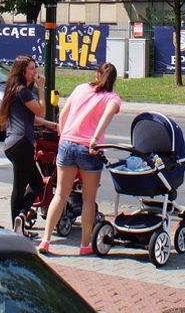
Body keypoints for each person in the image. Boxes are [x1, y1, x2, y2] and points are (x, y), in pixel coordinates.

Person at [37, 62, 121, 256]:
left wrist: (63, 134)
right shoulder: (112, 97)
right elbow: (106, 116)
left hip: (67, 144)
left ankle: (46, 240)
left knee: (60, 195)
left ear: (97, 74)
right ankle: (85, 245)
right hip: (89, 150)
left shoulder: (81, 88)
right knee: (88, 200)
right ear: (113, 80)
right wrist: (94, 138)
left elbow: (64, 113)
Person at [0, 55, 55, 237]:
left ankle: (20, 220)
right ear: (23, 71)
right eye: (31, 68)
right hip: (22, 143)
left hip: (12, 144)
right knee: (21, 187)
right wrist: (42, 88)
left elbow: (31, 117)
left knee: (36, 183)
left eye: (35, 67)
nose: (35, 71)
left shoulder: (15, 89)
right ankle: (18, 225)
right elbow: (41, 109)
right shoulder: (23, 90)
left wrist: (50, 125)